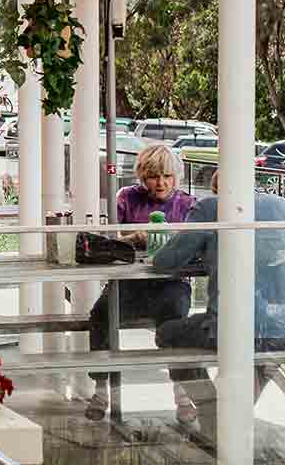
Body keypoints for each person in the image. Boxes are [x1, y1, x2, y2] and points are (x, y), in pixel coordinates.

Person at [152, 170, 285, 440]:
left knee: (167, 333)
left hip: (230, 329)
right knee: (263, 354)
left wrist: (204, 250)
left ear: (217, 189)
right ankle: (230, 422)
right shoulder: (284, 206)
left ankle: (214, 417)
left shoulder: (210, 207)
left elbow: (165, 261)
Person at [84, 144, 197, 423]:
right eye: (153, 176)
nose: (160, 183)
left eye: (167, 176)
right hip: (130, 280)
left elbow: (197, 247)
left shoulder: (189, 204)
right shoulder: (126, 198)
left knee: (176, 321)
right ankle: (101, 391)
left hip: (171, 281)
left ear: (176, 176)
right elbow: (110, 243)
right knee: (100, 315)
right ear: (142, 176)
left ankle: (181, 395)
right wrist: (135, 237)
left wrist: (172, 246)